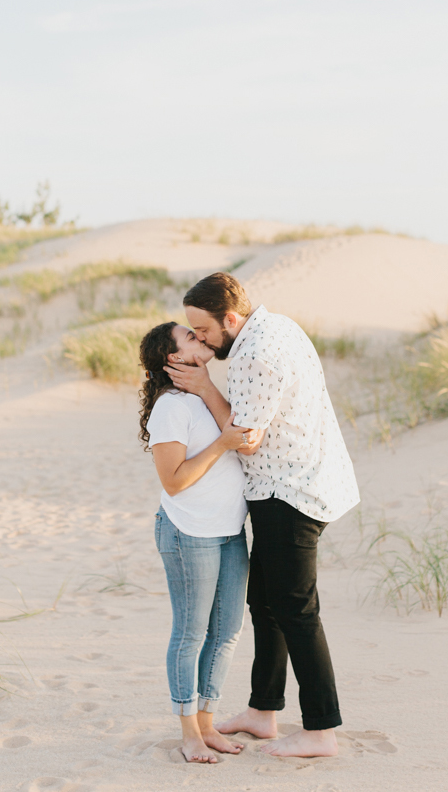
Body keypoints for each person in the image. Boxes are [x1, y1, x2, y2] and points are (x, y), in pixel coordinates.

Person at [166, 271, 360, 758]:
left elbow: (246, 439)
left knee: (295, 610)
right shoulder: (277, 325)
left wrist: (205, 387)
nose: (203, 339)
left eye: (205, 331)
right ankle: (262, 710)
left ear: (230, 318)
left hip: (290, 492)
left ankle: (320, 731)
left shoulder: (255, 352)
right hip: (301, 480)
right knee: (266, 604)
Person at [139, 321, 253, 764]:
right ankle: (189, 733)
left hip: (229, 531)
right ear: (173, 359)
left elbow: (243, 438)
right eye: (190, 337)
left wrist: (223, 425)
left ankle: (209, 724)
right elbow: (174, 481)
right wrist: (222, 445)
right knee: (191, 633)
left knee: (227, 632)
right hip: (189, 533)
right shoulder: (171, 407)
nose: (200, 338)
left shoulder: (205, 395)